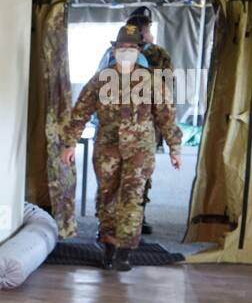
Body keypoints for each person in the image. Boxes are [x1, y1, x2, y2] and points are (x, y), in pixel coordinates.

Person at [61, 23, 182, 271]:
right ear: (114, 50)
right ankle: (108, 245)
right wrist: (70, 143)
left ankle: (125, 251)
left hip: (140, 148)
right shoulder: (101, 80)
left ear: (139, 50)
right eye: (121, 47)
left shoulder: (151, 81)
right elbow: (79, 113)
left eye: (131, 47)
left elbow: (166, 115)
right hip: (107, 147)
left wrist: (175, 148)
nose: (126, 51)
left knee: (133, 197)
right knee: (108, 197)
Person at [95, 7, 173, 235]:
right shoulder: (116, 54)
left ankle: (135, 217)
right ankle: (109, 223)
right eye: (145, 30)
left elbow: (166, 89)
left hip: (142, 124)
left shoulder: (157, 55)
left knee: (137, 176)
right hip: (118, 126)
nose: (147, 34)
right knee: (111, 176)